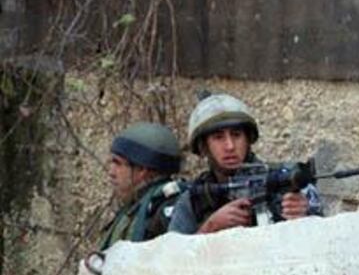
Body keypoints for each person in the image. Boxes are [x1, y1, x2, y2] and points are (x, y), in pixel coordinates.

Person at [168, 93, 321, 234]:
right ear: (203, 147)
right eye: (218, 137)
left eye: (236, 135)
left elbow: (322, 245)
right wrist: (210, 227)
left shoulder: (286, 182)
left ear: (248, 139)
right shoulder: (193, 199)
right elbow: (170, 258)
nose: (230, 146)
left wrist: (305, 218)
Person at [98, 122, 184, 250]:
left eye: (118, 163)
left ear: (142, 170)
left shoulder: (165, 210)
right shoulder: (135, 207)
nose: (111, 172)